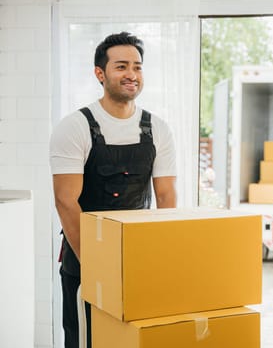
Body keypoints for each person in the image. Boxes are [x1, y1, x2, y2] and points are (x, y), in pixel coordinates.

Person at [50, 32, 177, 348]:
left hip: (138, 254)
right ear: (100, 73)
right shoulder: (75, 126)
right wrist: (95, 266)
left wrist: (167, 256)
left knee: (133, 338)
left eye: (137, 66)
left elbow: (165, 197)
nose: (131, 74)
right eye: (121, 66)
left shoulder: (157, 128)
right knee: (85, 338)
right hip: (85, 254)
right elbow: (66, 201)